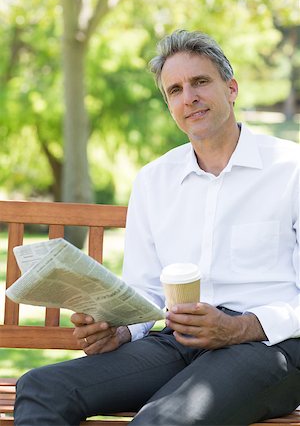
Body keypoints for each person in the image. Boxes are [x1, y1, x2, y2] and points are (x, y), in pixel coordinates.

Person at [15, 30, 300, 426]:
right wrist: (119, 332)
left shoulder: (290, 168)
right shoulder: (154, 180)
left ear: (231, 88)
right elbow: (144, 289)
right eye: (175, 90)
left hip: (269, 345)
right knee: (40, 387)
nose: (190, 97)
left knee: (160, 421)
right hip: (177, 342)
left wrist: (239, 327)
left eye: (200, 82)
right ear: (169, 105)